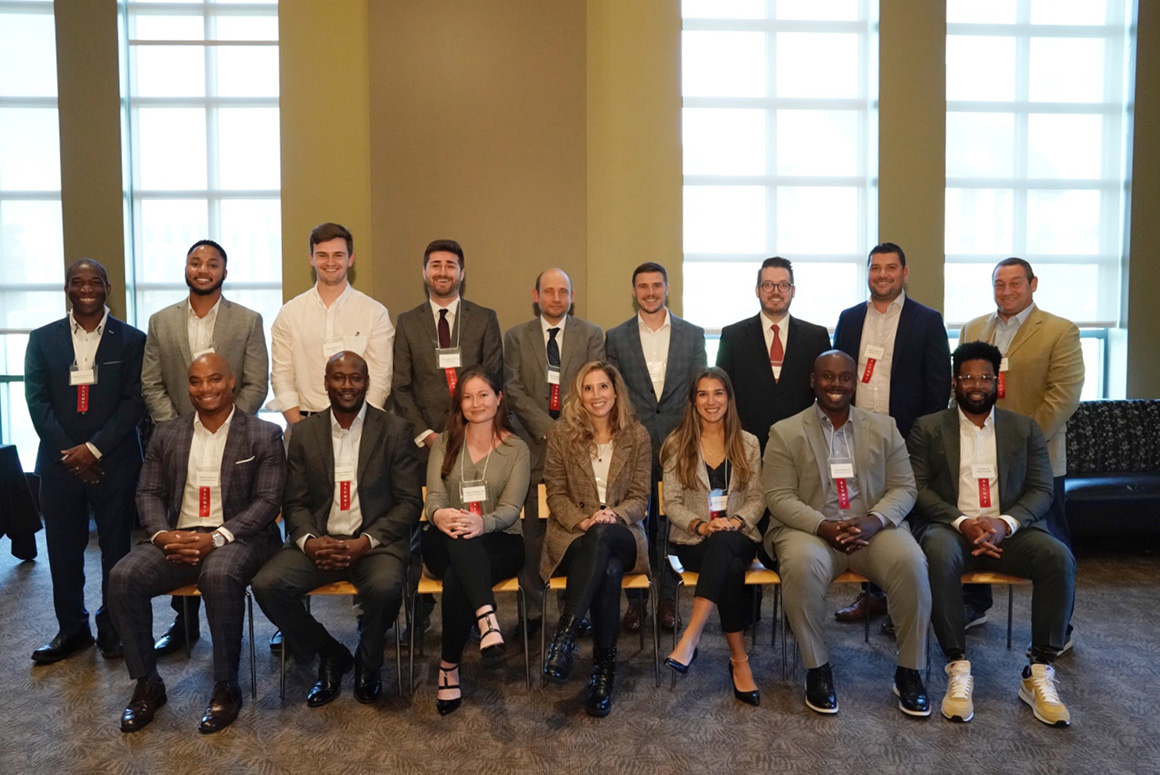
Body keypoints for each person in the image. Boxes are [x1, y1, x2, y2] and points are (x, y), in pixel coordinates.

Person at [109, 354, 285, 733]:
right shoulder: (167, 433)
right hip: (177, 535)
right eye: (195, 381)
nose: (205, 388)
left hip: (238, 536)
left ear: (232, 381)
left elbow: (268, 502)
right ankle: (147, 684)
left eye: (214, 379)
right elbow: (148, 492)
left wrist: (217, 538)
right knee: (123, 576)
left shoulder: (263, 434)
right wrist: (162, 535)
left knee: (219, 574)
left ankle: (225, 687)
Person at [908, 341, 1076, 727]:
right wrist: (963, 522)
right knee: (935, 551)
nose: (977, 384)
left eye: (985, 377)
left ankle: (1039, 670)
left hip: (1010, 532)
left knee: (1057, 556)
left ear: (997, 382)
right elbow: (918, 487)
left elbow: (1042, 489)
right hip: (951, 529)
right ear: (955, 383)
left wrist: (1004, 524)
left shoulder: (1024, 428)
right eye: (967, 377)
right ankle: (957, 666)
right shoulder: (929, 427)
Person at [764, 350, 931, 717]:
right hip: (809, 528)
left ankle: (910, 670)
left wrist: (874, 520)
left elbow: (905, 487)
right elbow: (777, 496)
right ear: (813, 380)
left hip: (871, 528)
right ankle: (817, 669)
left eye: (844, 378)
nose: (835, 385)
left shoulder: (885, 428)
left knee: (911, 562)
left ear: (855, 382)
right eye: (827, 376)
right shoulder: (786, 431)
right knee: (803, 564)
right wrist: (823, 526)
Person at [252, 351, 422, 706]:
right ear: (326, 383)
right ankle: (329, 652)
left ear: (367, 383)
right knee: (267, 585)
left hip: (374, 544)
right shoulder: (303, 434)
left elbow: (409, 502)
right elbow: (295, 502)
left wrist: (367, 540)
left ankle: (369, 661)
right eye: (339, 378)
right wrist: (310, 542)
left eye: (355, 378)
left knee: (387, 586)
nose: (348, 385)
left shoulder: (394, 430)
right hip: (320, 543)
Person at [140, 238, 269, 658]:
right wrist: (175, 431)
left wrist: (230, 426)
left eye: (212, 263)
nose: (203, 268)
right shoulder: (161, 321)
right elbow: (152, 382)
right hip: (178, 446)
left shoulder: (247, 320)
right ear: (185, 268)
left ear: (224, 272)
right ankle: (185, 622)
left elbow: (255, 381)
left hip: (231, 437)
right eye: (195, 262)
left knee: (218, 528)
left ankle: (215, 634)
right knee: (183, 522)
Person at [24, 259, 146, 663]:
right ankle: (71, 629)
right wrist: (71, 453)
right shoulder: (42, 340)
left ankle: (113, 627)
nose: (87, 288)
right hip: (59, 464)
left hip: (115, 461)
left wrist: (93, 449)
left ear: (108, 287)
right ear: (67, 289)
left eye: (95, 281)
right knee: (62, 548)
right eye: (78, 282)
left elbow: (134, 402)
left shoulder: (131, 340)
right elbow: (37, 402)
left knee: (116, 550)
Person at [959, 258, 1084, 630]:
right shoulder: (973, 328)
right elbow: (961, 388)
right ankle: (973, 605)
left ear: (1033, 284)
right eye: (999, 284)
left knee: (1053, 543)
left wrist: (1022, 445)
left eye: (1016, 283)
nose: (1007, 291)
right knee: (977, 522)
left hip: (1037, 457)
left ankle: (1059, 627)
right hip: (976, 453)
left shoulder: (1060, 331)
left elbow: (1063, 397)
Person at [831, 242, 951, 626]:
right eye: (875, 268)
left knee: (906, 516)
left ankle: (908, 601)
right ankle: (873, 595)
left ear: (904, 272)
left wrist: (924, 438)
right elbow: (835, 379)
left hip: (907, 437)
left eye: (890, 268)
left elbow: (937, 385)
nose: (882, 274)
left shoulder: (927, 321)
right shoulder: (849, 320)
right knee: (862, 510)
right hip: (855, 435)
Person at [391, 239, 504, 637]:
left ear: (462, 272)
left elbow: (491, 380)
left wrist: (471, 430)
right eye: (435, 265)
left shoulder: (485, 318)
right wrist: (427, 435)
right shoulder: (407, 322)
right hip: (423, 445)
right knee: (422, 528)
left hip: (475, 440)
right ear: (424, 272)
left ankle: (471, 603)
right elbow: (400, 387)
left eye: (451, 265)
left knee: (470, 521)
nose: (443, 272)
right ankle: (418, 615)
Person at [540, 361, 651, 717]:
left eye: (603, 387)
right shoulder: (562, 434)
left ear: (615, 391)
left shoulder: (638, 436)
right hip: (574, 535)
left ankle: (565, 636)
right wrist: (584, 520)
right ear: (579, 394)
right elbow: (555, 494)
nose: (596, 395)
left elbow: (640, 497)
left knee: (607, 539)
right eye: (588, 388)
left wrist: (613, 515)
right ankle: (604, 670)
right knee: (609, 569)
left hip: (624, 531)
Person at [421, 367, 529, 715]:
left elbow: (512, 508)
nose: (475, 403)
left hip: (500, 540)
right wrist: (439, 516)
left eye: (483, 395)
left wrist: (482, 522)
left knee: (459, 575)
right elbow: (434, 499)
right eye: (467, 397)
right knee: (460, 540)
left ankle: (448, 667)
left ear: (499, 398)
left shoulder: (516, 449)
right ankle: (486, 615)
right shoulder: (443, 442)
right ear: (459, 403)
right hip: (444, 537)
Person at [605, 261, 706, 634]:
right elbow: (614, 392)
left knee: (672, 525)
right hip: (633, 444)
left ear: (667, 289)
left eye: (656, 285)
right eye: (643, 286)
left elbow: (698, 389)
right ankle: (636, 603)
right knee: (636, 522)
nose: (650, 292)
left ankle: (667, 601)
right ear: (634, 292)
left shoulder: (692, 335)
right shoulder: (616, 337)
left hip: (680, 443)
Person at [503, 268, 605, 637]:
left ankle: (573, 607)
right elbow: (511, 388)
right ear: (536, 295)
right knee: (532, 529)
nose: (556, 298)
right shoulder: (516, 337)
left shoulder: (591, 335)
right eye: (549, 291)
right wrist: (549, 429)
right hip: (531, 444)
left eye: (563, 292)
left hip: (580, 443)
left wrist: (568, 430)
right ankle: (532, 609)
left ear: (572, 296)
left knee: (577, 522)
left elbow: (595, 383)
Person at [661, 367, 763, 706]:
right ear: (693, 402)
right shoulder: (677, 444)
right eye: (702, 394)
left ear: (729, 398)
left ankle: (690, 637)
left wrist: (734, 521)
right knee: (730, 568)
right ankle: (739, 660)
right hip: (694, 542)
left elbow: (758, 498)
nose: (711, 401)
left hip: (739, 534)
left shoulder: (748, 443)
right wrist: (701, 525)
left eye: (718, 393)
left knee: (726, 544)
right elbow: (671, 502)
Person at [269, 222, 395, 424]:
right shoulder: (289, 313)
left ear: (350, 259)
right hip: (303, 422)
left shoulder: (374, 313)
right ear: (311, 258)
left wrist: (359, 426)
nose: (330, 262)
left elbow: (380, 378)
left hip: (360, 424)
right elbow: (281, 376)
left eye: (338, 255)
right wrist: (300, 428)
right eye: (322, 255)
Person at [717, 256, 831, 454]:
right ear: (757, 290)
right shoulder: (733, 336)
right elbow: (723, 391)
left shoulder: (816, 337)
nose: (775, 291)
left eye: (783, 285)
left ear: (793, 291)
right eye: (768, 285)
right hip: (746, 446)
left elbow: (824, 395)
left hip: (802, 446)